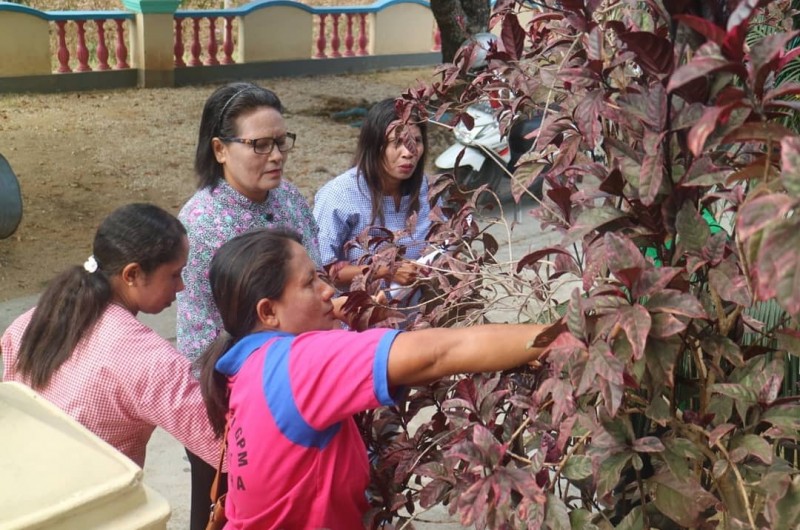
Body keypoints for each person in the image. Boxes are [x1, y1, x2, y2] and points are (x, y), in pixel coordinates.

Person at [198, 227, 551, 529]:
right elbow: (441, 351)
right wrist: (564, 335)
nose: (327, 291)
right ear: (268, 312)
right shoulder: (298, 364)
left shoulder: (245, 368)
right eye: (309, 283)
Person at [176, 81, 320, 530]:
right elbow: (208, 336)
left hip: (301, 380)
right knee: (222, 510)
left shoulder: (290, 200)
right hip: (232, 399)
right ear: (220, 149)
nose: (276, 155)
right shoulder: (201, 226)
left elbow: (317, 280)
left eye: (281, 142)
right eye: (260, 145)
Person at [0, 203, 219, 472]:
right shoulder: (149, 360)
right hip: (99, 504)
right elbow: (227, 447)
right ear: (132, 274)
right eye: (174, 274)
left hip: (25, 487)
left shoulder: (27, 324)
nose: (182, 286)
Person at [313, 98, 438, 293]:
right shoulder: (339, 196)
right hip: (360, 316)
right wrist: (384, 271)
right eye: (396, 142)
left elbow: (447, 242)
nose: (408, 152)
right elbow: (323, 271)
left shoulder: (429, 190)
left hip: (423, 313)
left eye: (416, 141)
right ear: (373, 145)